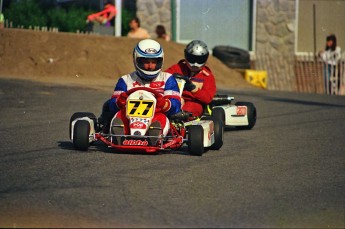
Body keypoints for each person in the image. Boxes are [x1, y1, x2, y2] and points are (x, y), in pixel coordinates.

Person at [101, 39, 181, 144]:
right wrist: (118, 102)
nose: (150, 66)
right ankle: (119, 135)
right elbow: (112, 104)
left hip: (156, 114)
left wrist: (165, 104)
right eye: (146, 62)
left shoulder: (167, 79)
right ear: (137, 60)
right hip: (129, 115)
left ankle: (154, 135)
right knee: (120, 115)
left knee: (160, 119)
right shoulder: (126, 80)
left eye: (154, 62)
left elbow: (176, 104)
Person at [165, 40, 216, 117]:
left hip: (194, 102)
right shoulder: (176, 68)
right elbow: (162, 79)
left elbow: (208, 98)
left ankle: (181, 120)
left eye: (199, 60)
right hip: (176, 98)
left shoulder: (207, 76)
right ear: (186, 56)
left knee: (191, 107)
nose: (195, 64)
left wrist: (194, 89)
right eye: (192, 58)